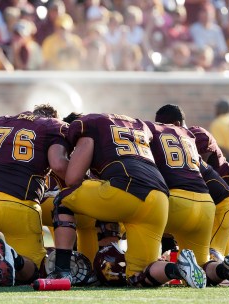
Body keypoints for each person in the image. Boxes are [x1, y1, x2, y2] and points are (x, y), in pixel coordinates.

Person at [49, 113, 206, 289]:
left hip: (127, 189)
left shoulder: (90, 125)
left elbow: (72, 179)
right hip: (159, 198)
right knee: (138, 276)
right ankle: (178, 269)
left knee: (64, 198)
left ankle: (62, 270)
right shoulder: (138, 126)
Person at [148, 106, 229, 287]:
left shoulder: (195, 135)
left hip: (222, 199)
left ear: (177, 124)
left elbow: (193, 172)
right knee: (205, 258)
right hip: (211, 199)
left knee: (208, 260)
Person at [0, 104, 69, 286]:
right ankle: (14, 258)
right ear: (54, 118)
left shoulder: (2, 121)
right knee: (35, 271)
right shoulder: (54, 126)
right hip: (17, 204)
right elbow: (59, 165)